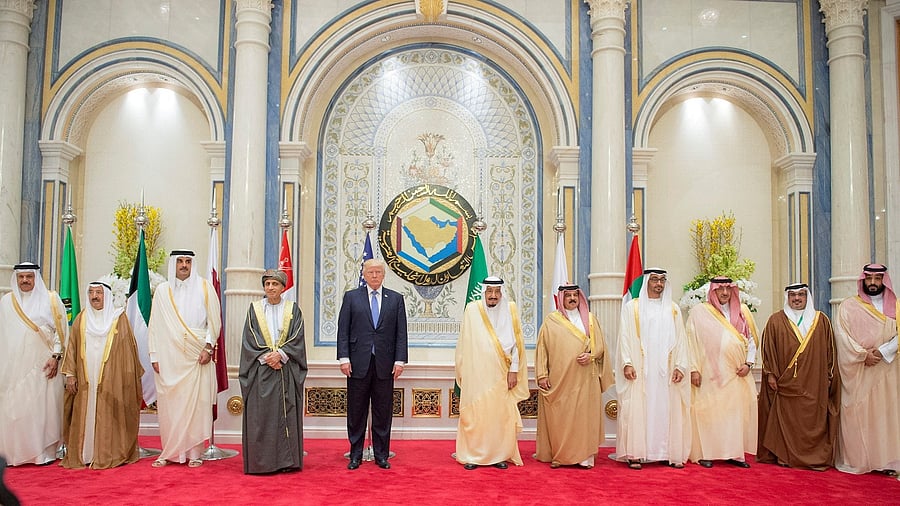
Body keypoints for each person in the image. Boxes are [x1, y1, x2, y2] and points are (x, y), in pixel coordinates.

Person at [148, 250, 221, 468]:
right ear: (173, 264)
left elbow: (214, 321)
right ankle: (170, 452)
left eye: (188, 261)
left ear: (192, 264)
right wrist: (154, 355)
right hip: (168, 355)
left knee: (197, 405)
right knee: (171, 404)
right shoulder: (162, 291)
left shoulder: (205, 287)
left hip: (197, 355)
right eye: (180, 261)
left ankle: (195, 453)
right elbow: (154, 325)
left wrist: (208, 347)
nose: (184, 265)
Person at [60, 281, 144, 469]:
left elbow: (128, 353)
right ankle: (85, 454)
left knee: (109, 413)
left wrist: (125, 380)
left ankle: (108, 453)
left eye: (98, 292)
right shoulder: (81, 318)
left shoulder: (118, 318)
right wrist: (71, 374)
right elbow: (72, 348)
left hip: (112, 379)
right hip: (85, 379)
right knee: (86, 412)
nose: (94, 296)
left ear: (107, 295)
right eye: (91, 292)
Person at [757, 283, 840, 470]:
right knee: (787, 421)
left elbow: (830, 352)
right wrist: (771, 375)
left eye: (801, 294)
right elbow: (768, 350)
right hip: (785, 384)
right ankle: (785, 456)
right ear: (787, 298)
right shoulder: (776, 321)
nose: (796, 298)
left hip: (814, 383)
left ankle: (814, 457)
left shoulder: (821, 321)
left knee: (812, 420)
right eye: (792, 295)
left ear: (807, 297)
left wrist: (828, 376)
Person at [616, 268, 691, 470]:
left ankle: (665, 453)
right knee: (639, 409)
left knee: (665, 409)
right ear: (647, 281)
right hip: (640, 370)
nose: (659, 284)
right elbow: (624, 337)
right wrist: (627, 362)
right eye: (655, 280)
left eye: (662, 280)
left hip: (665, 372)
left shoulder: (673, 309)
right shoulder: (632, 308)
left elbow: (681, 340)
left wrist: (680, 366)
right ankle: (636, 454)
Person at [337, 258, 408, 470]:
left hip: (385, 365)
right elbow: (343, 330)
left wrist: (400, 360)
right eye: (371, 272)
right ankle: (355, 455)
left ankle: (381, 455)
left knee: (382, 412)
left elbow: (401, 333)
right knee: (356, 411)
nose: (375, 275)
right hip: (357, 363)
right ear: (364, 274)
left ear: (383, 275)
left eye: (378, 272)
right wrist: (344, 358)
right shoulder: (352, 297)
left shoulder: (395, 299)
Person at [535, 283, 614, 469]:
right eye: (568, 295)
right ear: (561, 298)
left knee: (584, 418)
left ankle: (584, 457)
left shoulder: (590, 320)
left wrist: (591, 355)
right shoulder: (551, 321)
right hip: (560, 379)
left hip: (585, 378)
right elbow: (542, 350)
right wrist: (542, 375)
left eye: (575, 295)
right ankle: (560, 456)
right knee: (561, 417)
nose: (572, 299)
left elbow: (600, 346)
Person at [455, 276, 529, 470]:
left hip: (501, 374)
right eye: (489, 291)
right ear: (484, 292)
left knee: (499, 416)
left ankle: (499, 455)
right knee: (476, 414)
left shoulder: (510, 310)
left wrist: (514, 371)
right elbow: (464, 343)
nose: (493, 295)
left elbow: (517, 345)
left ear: (502, 293)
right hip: (476, 375)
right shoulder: (472, 310)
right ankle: (472, 455)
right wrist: (463, 370)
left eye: (497, 292)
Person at [686, 276, 760, 468]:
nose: (725, 293)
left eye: (728, 289)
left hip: (736, 373)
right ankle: (707, 453)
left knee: (734, 414)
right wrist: (693, 369)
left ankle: (734, 454)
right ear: (713, 291)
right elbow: (691, 341)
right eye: (720, 289)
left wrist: (749, 363)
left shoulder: (743, 312)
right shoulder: (700, 312)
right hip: (709, 372)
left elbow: (752, 340)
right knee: (710, 413)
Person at [239, 269, 308, 474]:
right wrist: (267, 357)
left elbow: (297, 337)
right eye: (267, 284)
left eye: (275, 284)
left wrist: (281, 355)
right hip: (261, 371)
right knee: (262, 417)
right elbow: (249, 338)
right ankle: (262, 463)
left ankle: (287, 462)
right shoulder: (255, 309)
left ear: (283, 287)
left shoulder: (293, 309)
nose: (270, 288)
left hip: (286, 370)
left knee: (286, 416)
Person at [834, 264, 900, 475]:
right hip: (859, 371)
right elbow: (841, 336)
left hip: (887, 370)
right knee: (858, 415)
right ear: (862, 280)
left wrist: (882, 351)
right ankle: (859, 460)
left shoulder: (897, 307)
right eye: (869, 278)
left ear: (884, 281)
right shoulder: (848, 306)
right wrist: (863, 355)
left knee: (885, 416)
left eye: (877, 278)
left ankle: (887, 462)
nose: (872, 283)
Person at [0, 263, 68, 466]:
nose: (25, 281)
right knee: (15, 409)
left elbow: (60, 331)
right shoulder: (6, 302)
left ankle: (42, 454)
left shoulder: (50, 300)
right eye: (21, 277)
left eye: (29, 277)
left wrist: (56, 357)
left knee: (41, 409)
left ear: (36, 277)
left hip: (43, 365)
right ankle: (13, 454)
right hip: (13, 368)